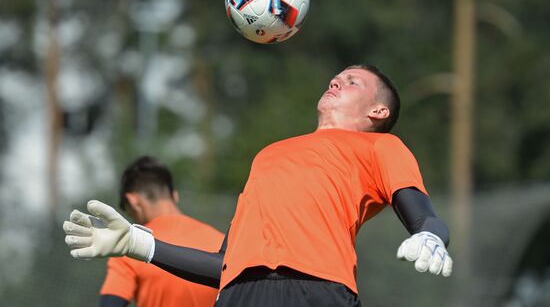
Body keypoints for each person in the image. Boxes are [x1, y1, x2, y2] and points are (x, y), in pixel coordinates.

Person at [64, 64, 453, 307]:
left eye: (351, 81)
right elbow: (225, 265)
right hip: (238, 296)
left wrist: (432, 237)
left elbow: (424, 216)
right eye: (336, 77)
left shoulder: (381, 145)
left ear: (378, 111)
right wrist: (136, 243)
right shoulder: (269, 154)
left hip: (316, 291)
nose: (336, 81)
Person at [97, 156, 224, 307]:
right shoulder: (223, 244)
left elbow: (111, 304)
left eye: (131, 214)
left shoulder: (129, 246)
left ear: (134, 202)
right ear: (174, 196)